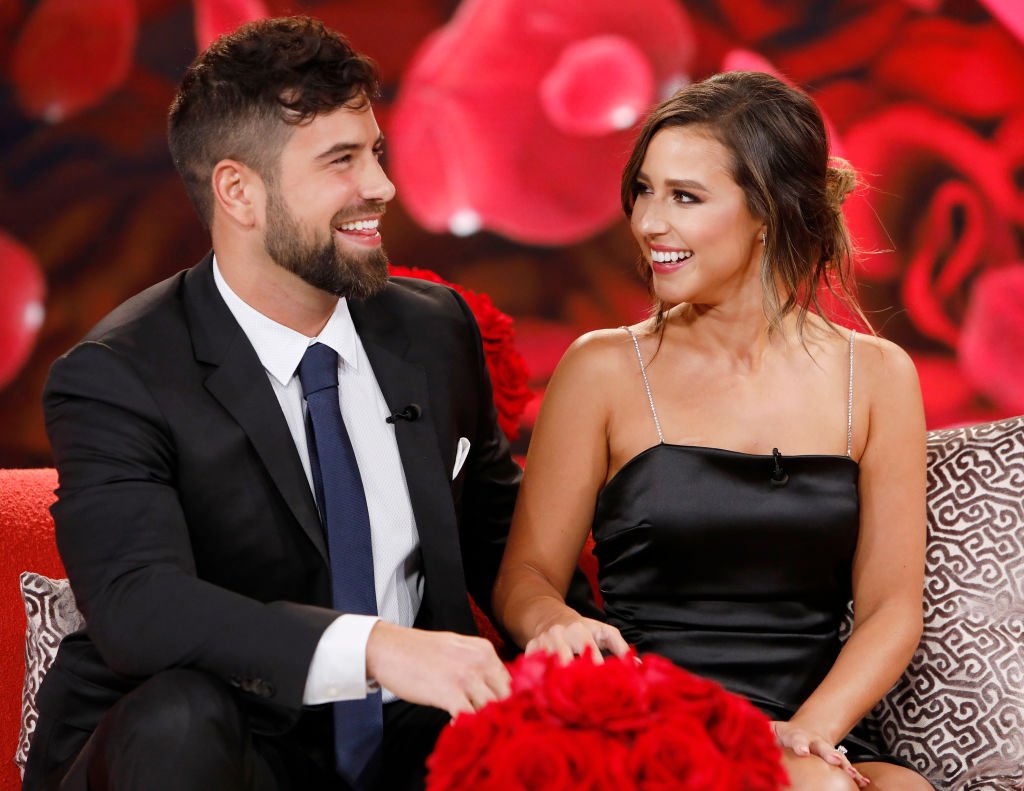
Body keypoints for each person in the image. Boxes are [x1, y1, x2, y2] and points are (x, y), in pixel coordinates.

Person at [24, 16, 519, 791]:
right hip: (211, 750)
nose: (382, 187)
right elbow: (138, 604)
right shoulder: (117, 376)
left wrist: (556, 615)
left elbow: (500, 532)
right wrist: (376, 647)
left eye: (377, 153)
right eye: (342, 160)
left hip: (407, 743)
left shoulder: (435, 329)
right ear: (238, 191)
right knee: (181, 716)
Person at [494, 71, 933, 791]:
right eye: (644, 189)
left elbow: (891, 608)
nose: (647, 222)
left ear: (768, 212)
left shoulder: (878, 376)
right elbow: (527, 577)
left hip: (812, 724)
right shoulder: (602, 367)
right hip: (649, 717)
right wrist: (552, 623)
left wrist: (807, 734)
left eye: (684, 197)